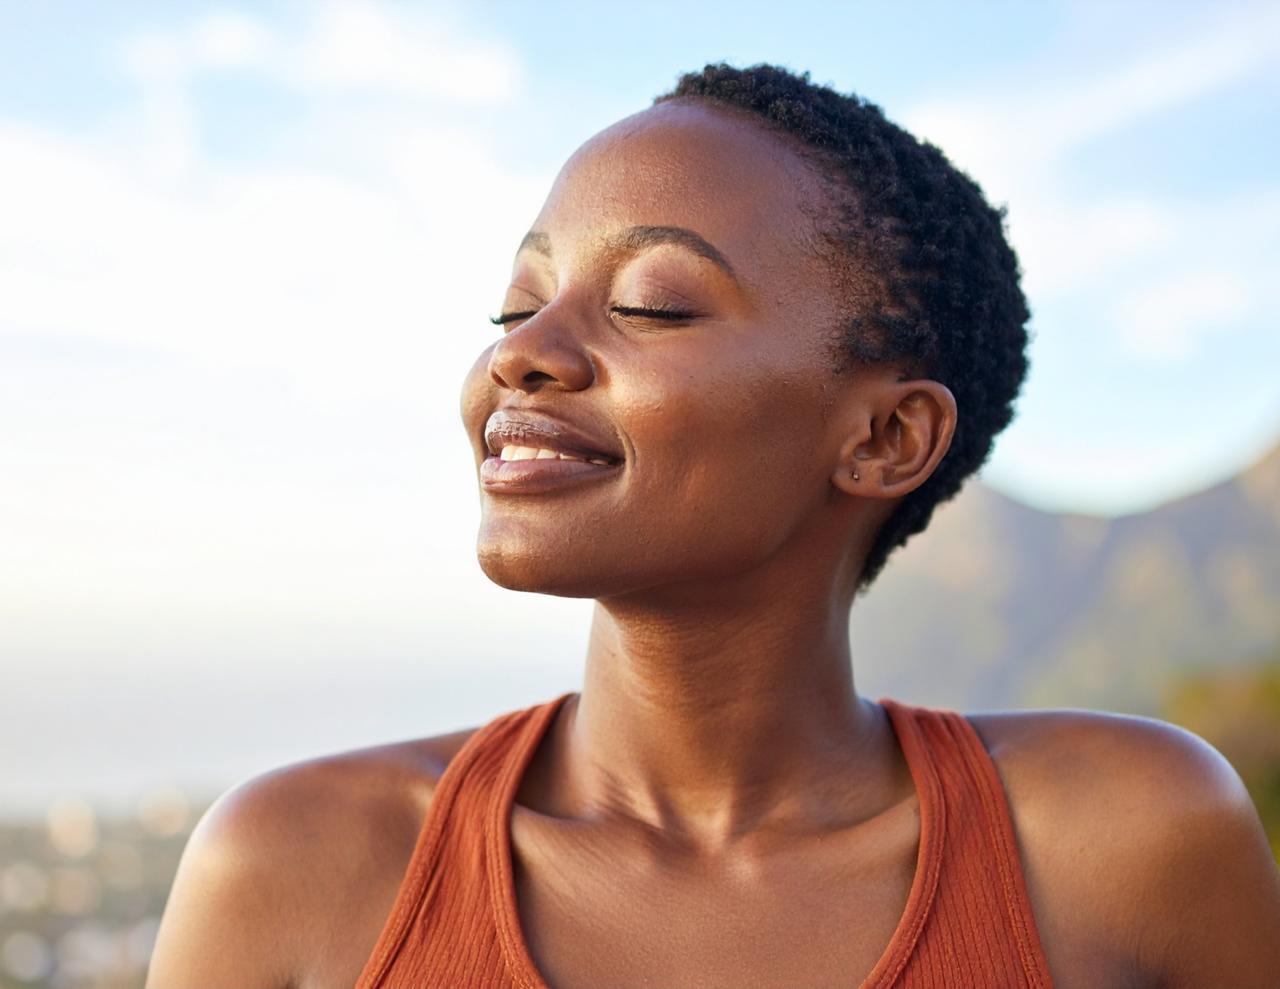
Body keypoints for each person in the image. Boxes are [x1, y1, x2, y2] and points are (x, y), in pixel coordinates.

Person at [146, 63, 1280, 988]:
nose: (518, 350)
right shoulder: (292, 866)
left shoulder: (1124, 839)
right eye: (515, 301)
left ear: (885, 438)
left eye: (651, 302)